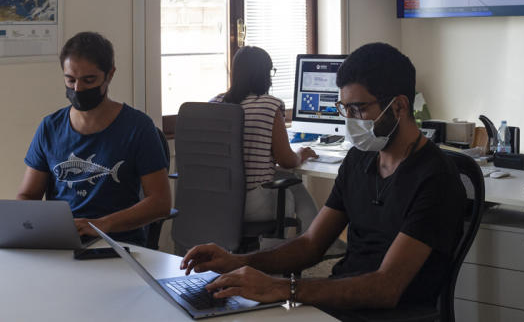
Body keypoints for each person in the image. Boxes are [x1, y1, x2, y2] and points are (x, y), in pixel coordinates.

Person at [181, 42, 466, 314]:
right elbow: (311, 244)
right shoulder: (359, 160)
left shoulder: (436, 177)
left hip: (391, 313)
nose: (352, 120)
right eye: (346, 109)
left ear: (399, 107)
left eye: (360, 109)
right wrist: (236, 262)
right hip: (343, 304)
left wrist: (284, 288)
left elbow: (386, 287)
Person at [16, 31, 172, 246]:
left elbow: (160, 203)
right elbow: (28, 195)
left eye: (89, 80)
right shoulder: (50, 127)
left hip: (118, 244)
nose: (78, 89)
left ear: (109, 75)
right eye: (70, 80)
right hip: (62, 242)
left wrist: (102, 224)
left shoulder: (138, 127)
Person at [211, 46, 319, 230]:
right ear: (264, 74)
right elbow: (286, 160)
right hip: (253, 204)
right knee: (293, 186)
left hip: (219, 201)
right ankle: (315, 243)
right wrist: (300, 154)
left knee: (289, 183)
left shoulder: (215, 103)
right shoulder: (270, 105)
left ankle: (319, 242)